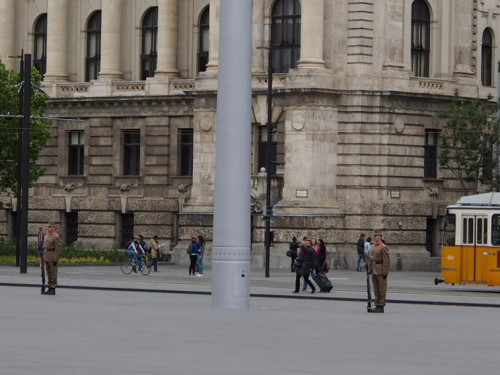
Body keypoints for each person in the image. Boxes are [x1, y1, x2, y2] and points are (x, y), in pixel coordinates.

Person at [368, 233, 390, 313]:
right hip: (374, 269)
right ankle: (377, 304)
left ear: (380, 237)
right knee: (376, 289)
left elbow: (386, 261)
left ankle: (381, 305)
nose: (374, 237)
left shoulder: (384, 247)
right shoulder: (373, 246)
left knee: (382, 289)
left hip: (381, 269)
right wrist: (369, 269)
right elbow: (371, 258)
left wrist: (385, 272)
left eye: (376, 236)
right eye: (374, 236)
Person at [42, 222, 62, 295]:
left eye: (50, 227)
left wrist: (55, 259)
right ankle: (49, 287)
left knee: (53, 273)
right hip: (47, 255)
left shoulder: (56, 237)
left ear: (54, 228)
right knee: (49, 273)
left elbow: (58, 249)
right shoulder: (48, 236)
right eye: (49, 227)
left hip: (52, 255)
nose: (49, 228)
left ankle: (53, 288)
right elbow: (45, 246)